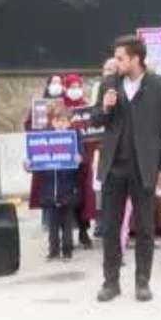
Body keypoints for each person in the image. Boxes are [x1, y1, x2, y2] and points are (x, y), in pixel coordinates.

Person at [91, 35, 161, 303]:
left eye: (120, 58)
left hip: (144, 166)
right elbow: (95, 120)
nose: (116, 63)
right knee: (110, 227)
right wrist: (105, 107)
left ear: (136, 59)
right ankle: (111, 282)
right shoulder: (108, 83)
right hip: (114, 166)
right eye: (115, 58)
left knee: (144, 227)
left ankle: (142, 282)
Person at [23, 103, 82, 260]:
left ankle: (68, 251)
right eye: (58, 121)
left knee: (67, 224)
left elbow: (82, 162)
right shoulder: (44, 140)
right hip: (49, 189)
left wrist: (79, 159)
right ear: (52, 122)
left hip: (68, 189)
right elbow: (35, 163)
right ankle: (53, 251)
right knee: (52, 224)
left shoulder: (74, 140)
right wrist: (27, 165)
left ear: (70, 123)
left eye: (64, 121)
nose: (61, 124)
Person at [62, 74, 97, 249]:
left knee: (83, 197)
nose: (75, 89)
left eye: (78, 85)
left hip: (84, 159)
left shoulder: (87, 107)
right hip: (64, 162)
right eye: (72, 86)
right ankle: (64, 237)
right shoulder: (60, 107)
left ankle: (84, 231)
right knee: (66, 198)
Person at [25, 75, 64, 231]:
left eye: (59, 83)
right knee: (46, 186)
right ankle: (48, 221)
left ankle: (67, 223)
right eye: (53, 83)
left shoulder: (66, 104)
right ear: (47, 86)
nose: (57, 86)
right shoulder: (39, 106)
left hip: (63, 153)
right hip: (45, 154)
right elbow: (30, 128)